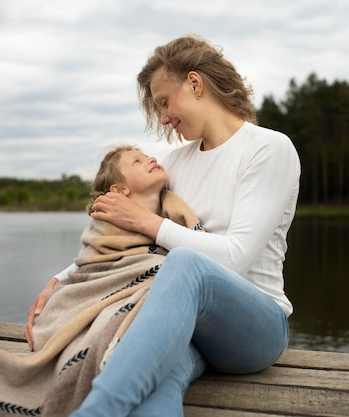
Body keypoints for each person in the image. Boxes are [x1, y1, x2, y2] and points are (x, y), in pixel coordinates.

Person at [27, 34, 301, 417]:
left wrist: (150, 222)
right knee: (157, 384)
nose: (164, 119)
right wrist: (61, 279)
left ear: (195, 83)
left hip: (255, 328)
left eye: (164, 103)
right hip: (190, 324)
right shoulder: (175, 163)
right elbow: (123, 232)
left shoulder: (268, 149)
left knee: (184, 263)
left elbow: (236, 258)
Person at [0, 144, 204, 417]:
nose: (150, 158)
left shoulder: (175, 220)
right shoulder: (104, 231)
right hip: (107, 301)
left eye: (147, 157)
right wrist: (56, 282)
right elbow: (92, 271)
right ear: (119, 192)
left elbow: (175, 263)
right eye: (137, 161)